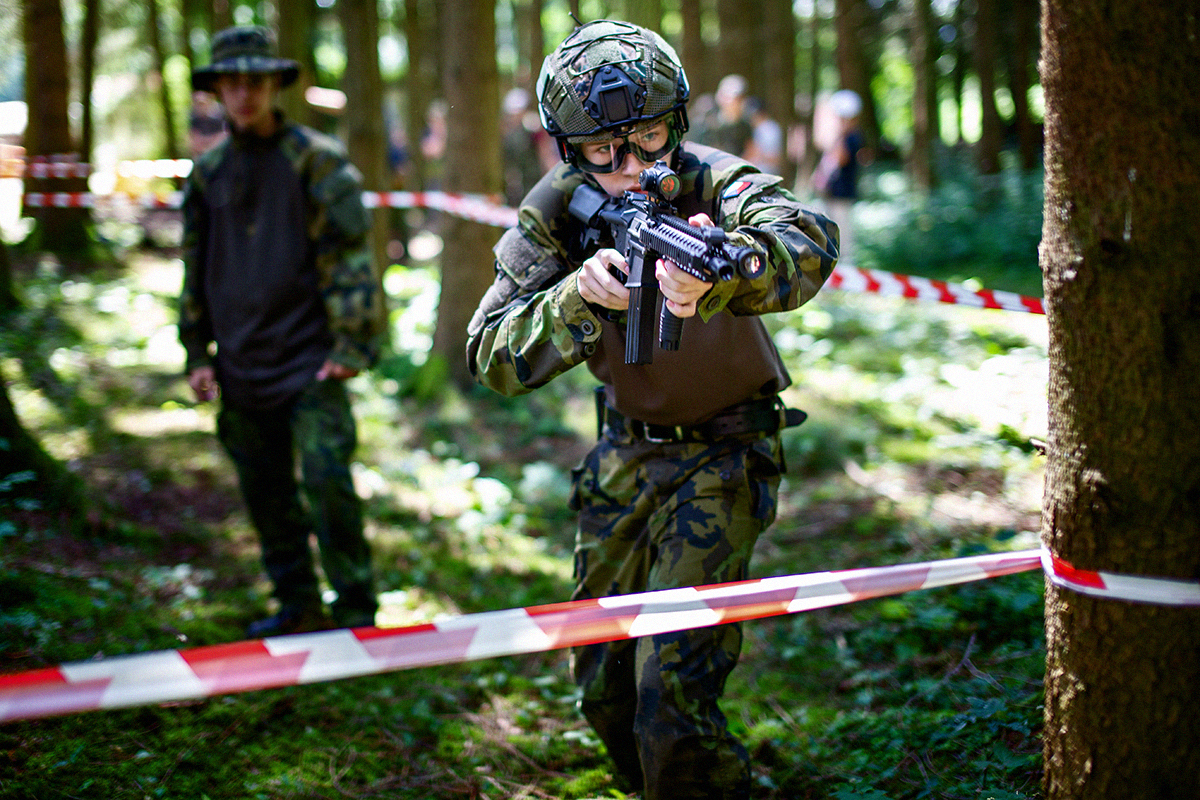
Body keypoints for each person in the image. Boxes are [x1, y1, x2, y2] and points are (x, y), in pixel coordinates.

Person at [466, 20, 838, 800]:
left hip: (725, 455)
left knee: (669, 693)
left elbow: (807, 240)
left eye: (649, 138)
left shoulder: (713, 180)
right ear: (570, 150)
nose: (634, 168)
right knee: (602, 686)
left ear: (678, 122)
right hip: (623, 458)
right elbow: (490, 353)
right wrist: (575, 298)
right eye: (605, 152)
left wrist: (729, 276)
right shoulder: (559, 210)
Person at [179, 26, 387, 637]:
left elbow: (350, 256)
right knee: (265, 492)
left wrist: (352, 344)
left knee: (328, 484)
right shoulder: (208, 173)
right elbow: (195, 267)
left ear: (274, 85)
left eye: (256, 81)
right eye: (232, 82)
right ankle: (296, 602)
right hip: (239, 362)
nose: (244, 94)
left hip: (309, 360)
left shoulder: (315, 160)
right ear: (217, 89)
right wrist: (197, 351)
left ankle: (356, 613)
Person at [813, 89, 865, 264]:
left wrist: (839, 134)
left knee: (845, 241)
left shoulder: (852, 137)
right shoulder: (837, 138)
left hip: (843, 195)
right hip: (831, 195)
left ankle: (848, 277)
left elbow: (842, 158)